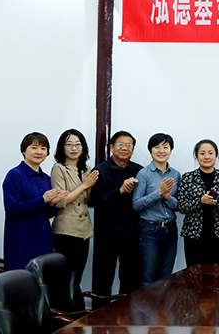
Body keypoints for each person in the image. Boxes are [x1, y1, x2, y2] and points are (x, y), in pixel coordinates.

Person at [90, 130, 143, 306]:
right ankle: (98, 318)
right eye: (120, 145)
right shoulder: (100, 170)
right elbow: (94, 200)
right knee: (102, 282)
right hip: (106, 235)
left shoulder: (139, 171)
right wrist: (119, 191)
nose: (125, 148)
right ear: (112, 147)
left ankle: (124, 317)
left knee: (130, 282)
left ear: (133, 149)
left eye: (129, 145)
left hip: (131, 235)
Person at [3, 132, 69, 270]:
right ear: (24, 151)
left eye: (43, 148)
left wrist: (52, 203)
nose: (39, 152)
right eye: (34, 147)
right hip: (22, 239)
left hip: (43, 238)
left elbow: (48, 213)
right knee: (23, 279)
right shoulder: (15, 175)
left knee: (43, 278)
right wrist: (42, 199)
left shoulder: (46, 178)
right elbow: (12, 207)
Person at [50, 129, 99, 287]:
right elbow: (61, 201)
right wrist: (84, 185)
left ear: (83, 147)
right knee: (64, 279)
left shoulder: (86, 169)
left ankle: (74, 304)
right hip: (65, 230)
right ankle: (63, 305)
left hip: (84, 230)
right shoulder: (59, 168)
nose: (74, 148)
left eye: (78, 144)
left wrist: (89, 188)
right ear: (62, 147)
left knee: (77, 277)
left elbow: (88, 201)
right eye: (69, 144)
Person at [132, 133, 181, 288]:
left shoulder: (176, 174)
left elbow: (178, 206)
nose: (161, 151)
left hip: (171, 230)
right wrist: (158, 192)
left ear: (171, 150)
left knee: (165, 279)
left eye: (165, 147)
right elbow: (136, 205)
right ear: (151, 150)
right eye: (157, 147)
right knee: (147, 279)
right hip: (149, 230)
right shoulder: (144, 174)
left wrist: (167, 197)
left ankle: (162, 306)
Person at [177, 139, 219, 266]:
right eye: (202, 153)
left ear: (216, 155)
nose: (206, 157)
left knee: (216, 273)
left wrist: (217, 202)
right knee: (193, 273)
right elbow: (181, 206)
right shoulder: (188, 178)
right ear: (196, 156)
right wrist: (200, 201)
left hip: (218, 234)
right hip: (193, 235)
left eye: (210, 153)